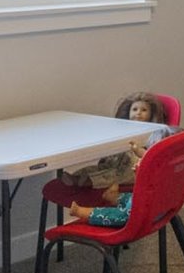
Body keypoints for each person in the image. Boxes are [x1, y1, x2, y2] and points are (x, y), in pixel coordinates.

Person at [59, 92, 170, 225]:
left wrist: (137, 152)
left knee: (119, 212)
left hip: (132, 172)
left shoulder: (154, 134)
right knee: (104, 168)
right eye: (135, 109)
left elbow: (148, 155)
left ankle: (85, 212)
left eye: (144, 110)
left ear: (152, 115)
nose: (138, 113)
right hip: (127, 169)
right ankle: (104, 191)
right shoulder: (123, 129)